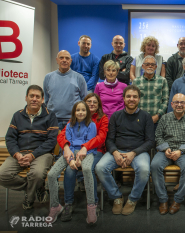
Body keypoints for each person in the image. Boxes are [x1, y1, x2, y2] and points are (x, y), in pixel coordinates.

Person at [96, 85, 154, 216]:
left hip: (138, 152)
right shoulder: (116, 116)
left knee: (144, 169)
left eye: (134, 96)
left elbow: (150, 141)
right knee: (100, 167)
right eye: (128, 96)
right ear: (123, 99)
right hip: (118, 150)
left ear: (139, 99)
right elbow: (109, 139)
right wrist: (115, 153)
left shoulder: (146, 116)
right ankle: (117, 197)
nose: (131, 99)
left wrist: (133, 153)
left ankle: (133, 199)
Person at [0, 85, 58, 210]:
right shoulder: (17, 116)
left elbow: (51, 141)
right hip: (19, 154)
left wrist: (33, 155)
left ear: (43, 100)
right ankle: (37, 187)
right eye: (31, 96)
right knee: (2, 174)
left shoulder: (50, 116)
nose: (34, 99)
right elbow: (10, 138)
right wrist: (17, 154)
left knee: (36, 174)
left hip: (41, 154)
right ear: (26, 98)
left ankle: (29, 198)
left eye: (38, 97)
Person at [57, 93, 108, 221]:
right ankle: (69, 203)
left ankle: (93, 203)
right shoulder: (76, 117)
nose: (91, 104)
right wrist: (66, 148)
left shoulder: (102, 118)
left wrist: (85, 147)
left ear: (98, 105)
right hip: (75, 150)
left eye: (94, 102)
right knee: (70, 169)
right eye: (89, 101)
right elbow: (61, 136)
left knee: (89, 168)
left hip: (96, 151)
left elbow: (101, 138)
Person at [46, 101, 97, 224]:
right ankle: (55, 206)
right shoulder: (69, 125)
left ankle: (91, 206)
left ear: (87, 112)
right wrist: (71, 160)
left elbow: (89, 145)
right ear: (74, 112)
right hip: (71, 152)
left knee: (86, 170)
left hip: (88, 152)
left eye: (83, 110)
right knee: (51, 175)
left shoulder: (92, 125)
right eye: (78, 110)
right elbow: (68, 145)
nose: (80, 112)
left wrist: (79, 160)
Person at [151, 93, 185, 215]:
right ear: (171, 104)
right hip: (165, 150)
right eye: (176, 102)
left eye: (182, 102)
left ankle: (177, 200)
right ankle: (163, 199)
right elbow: (158, 136)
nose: (179, 105)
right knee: (155, 165)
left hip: (184, 152)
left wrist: (180, 151)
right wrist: (165, 148)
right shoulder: (164, 118)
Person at [44, 50, 87, 131]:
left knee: (72, 143)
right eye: (61, 58)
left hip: (73, 120)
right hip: (53, 120)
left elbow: (84, 100)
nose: (64, 60)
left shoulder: (79, 78)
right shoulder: (48, 77)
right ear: (57, 60)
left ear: (70, 61)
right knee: (54, 144)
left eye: (67, 58)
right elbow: (46, 100)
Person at [133, 55, 169, 129]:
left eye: (152, 65)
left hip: (158, 121)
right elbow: (133, 101)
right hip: (140, 120)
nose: (150, 66)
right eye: (147, 64)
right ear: (143, 66)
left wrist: (158, 115)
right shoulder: (136, 82)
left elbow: (165, 100)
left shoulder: (162, 81)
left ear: (156, 67)